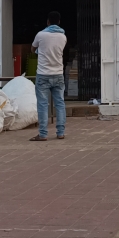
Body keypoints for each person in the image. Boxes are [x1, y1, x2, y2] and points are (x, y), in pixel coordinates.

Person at [30, 11, 68, 142]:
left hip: (43, 75)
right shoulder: (63, 37)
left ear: (48, 21)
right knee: (60, 104)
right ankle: (61, 133)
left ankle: (43, 134)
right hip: (58, 74)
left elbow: (33, 49)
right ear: (59, 22)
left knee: (42, 104)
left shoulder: (40, 35)